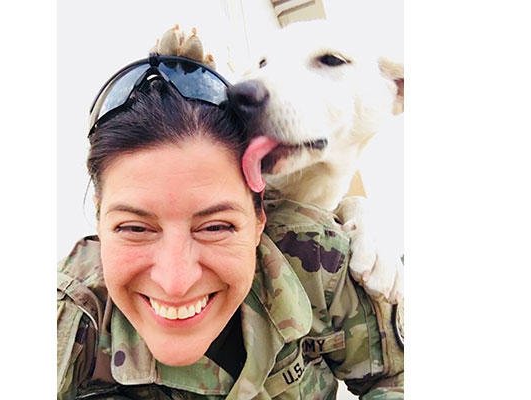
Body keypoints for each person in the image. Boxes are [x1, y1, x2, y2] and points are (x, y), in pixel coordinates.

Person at [57, 54, 403, 399]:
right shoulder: (72, 312)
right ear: (99, 217)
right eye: (135, 228)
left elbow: (396, 376)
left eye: (215, 227)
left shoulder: (316, 254)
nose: (175, 283)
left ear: (260, 217)